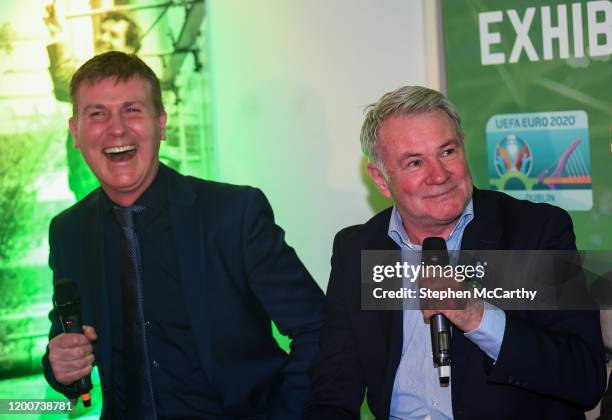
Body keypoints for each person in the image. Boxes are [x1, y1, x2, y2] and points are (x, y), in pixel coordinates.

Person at [42, 51, 325, 419]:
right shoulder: (68, 231)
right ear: (75, 132)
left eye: (132, 110)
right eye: (97, 114)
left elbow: (317, 329)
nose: (116, 129)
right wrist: (59, 366)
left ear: (161, 123)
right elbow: (66, 338)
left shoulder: (233, 214)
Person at [305, 86, 606, 419]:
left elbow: (585, 377)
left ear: (462, 145)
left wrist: (479, 317)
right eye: (415, 162)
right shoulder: (359, 250)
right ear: (380, 179)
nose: (439, 175)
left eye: (447, 152)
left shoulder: (531, 232)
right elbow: (332, 391)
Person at [44, 2, 142, 200]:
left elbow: (66, 85)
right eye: (102, 32)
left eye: (113, 35)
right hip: (89, 189)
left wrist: (59, 37)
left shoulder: (128, 83)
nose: (103, 38)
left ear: (129, 48)